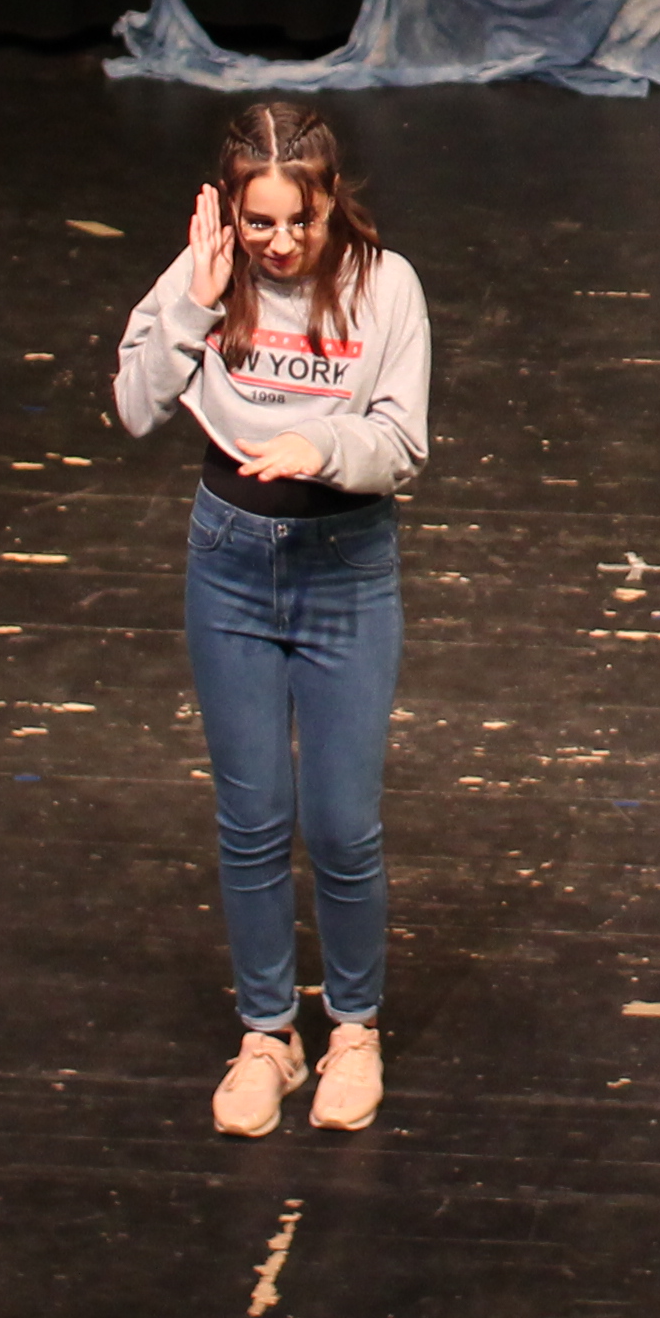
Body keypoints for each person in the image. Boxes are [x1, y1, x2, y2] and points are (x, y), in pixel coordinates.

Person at [115, 103, 431, 1138]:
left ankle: (353, 1029)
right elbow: (135, 405)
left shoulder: (385, 285)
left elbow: (403, 442)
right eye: (261, 223)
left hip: (346, 568)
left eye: (302, 220)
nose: (283, 243)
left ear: (332, 201)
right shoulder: (205, 276)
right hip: (233, 564)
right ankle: (266, 1035)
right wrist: (193, 307)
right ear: (231, 211)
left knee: (341, 823)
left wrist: (324, 447)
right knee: (251, 821)